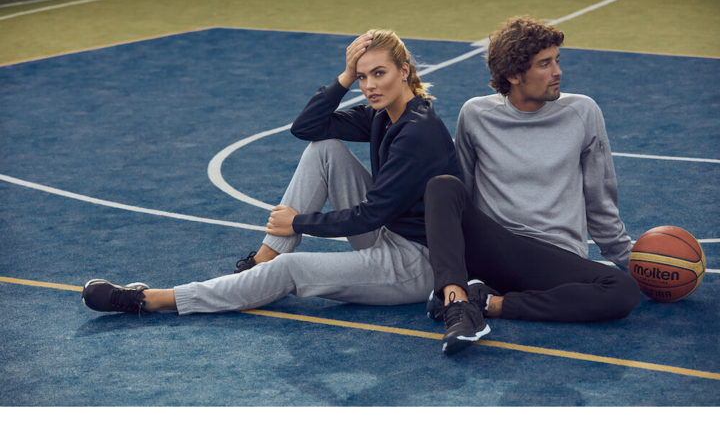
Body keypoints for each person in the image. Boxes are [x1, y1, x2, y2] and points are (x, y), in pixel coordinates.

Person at [82, 30, 465, 317]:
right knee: (324, 150)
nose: (370, 86)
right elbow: (307, 128)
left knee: (292, 268)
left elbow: (369, 215)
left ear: (404, 71)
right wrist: (344, 77)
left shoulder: (417, 133)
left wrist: (297, 223)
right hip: (388, 234)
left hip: (417, 264)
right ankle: (263, 260)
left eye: (379, 73)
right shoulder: (384, 114)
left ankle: (153, 299)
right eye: (363, 77)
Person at [425, 15, 640, 355]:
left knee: (623, 291)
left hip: (554, 259)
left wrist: (634, 264)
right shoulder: (475, 114)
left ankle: (489, 303)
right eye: (544, 64)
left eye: (557, 60)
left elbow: (600, 202)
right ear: (513, 75)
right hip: (495, 248)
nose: (558, 72)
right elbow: (462, 195)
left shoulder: (583, 112)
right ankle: (457, 303)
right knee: (442, 186)